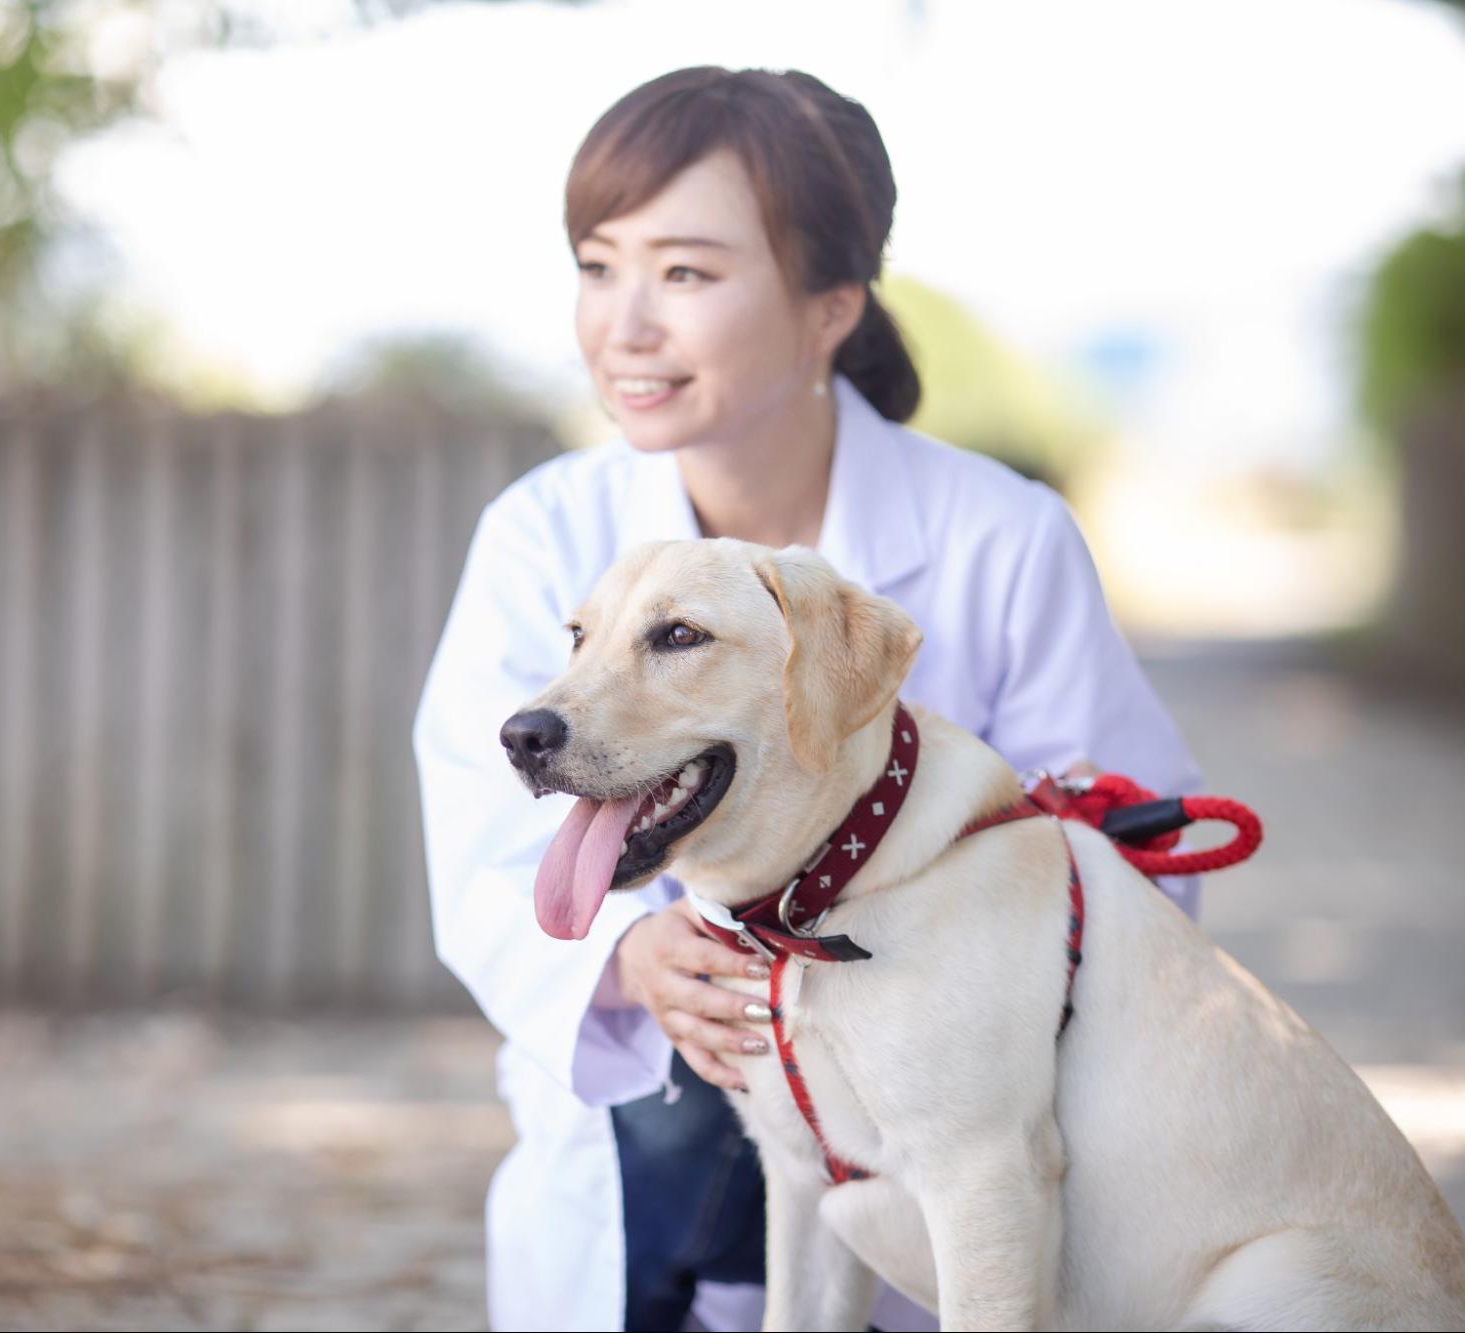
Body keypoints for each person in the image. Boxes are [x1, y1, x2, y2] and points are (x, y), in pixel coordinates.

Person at [411, 66, 1201, 1333]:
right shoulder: (545, 531)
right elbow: (479, 817)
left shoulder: (998, 537)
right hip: (649, 1128)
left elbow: (1135, 871)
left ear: (831, 305)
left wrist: (946, 953)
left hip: (926, 1157)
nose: (624, 323)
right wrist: (627, 960)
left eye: (684, 273)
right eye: (597, 265)